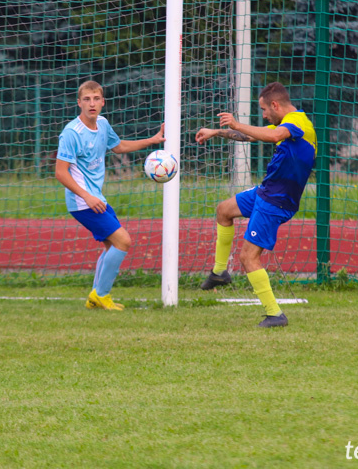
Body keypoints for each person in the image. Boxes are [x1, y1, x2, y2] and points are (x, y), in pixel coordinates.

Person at [195, 81, 316, 328]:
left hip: (276, 201)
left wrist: (235, 122)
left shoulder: (297, 122)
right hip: (266, 191)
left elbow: (273, 135)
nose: (263, 115)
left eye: (264, 110)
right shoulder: (287, 123)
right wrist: (216, 132)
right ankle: (219, 273)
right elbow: (252, 134)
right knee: (224, 210)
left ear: (275, 104)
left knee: (248, 257)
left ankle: (275, 315)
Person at [55, 80, 165, 310]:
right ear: (79, 103)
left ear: (103, 102)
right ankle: (101, 295)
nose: (91, 104)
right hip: (83, 201)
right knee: (123, 241)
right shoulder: (71, 133)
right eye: (86, 99)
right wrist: (87, 196)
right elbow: (60, 172)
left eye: (95, 99)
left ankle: (95, 298)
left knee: (111, 246)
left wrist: (153, 141)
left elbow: (119, 147)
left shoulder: (103, 124)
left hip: (96, 198)